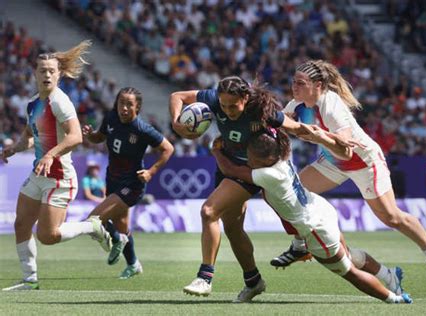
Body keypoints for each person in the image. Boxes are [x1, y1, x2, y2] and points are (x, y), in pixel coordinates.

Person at [169, 76, 351, 302]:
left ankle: (204, 278)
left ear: (245, 98)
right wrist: (177, 121)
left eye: (232, 106)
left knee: (208, 211)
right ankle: (253, 281)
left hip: (253, 170)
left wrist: (330, 140)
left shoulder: (263, 111)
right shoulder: (214, 99)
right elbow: (177, 96)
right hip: (228, 164)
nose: (227, 111)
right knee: (233, 228)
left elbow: (297, 128)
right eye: (223, 106)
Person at [272, 59, 426, 286]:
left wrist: (318, 136)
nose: (294, 87)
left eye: (300, 83)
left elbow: (345, 150)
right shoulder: (298, 103)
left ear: (317, 85)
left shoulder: (330, 105)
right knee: (294, 191)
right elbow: (280, 121)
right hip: (333, 161)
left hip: (363, 161)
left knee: (391, 216)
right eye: (293, 82)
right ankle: (300, 247)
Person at [210, 129, 412, 304]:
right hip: (322, 210)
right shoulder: (283, 157)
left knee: (349, 272)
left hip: (315, 229)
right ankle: (388, 275)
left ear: (263, 160)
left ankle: (394, 299)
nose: (248, 159)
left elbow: (231, 169)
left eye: (251, 157)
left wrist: (216, 150)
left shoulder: (267, 175)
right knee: (347, 255)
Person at [1, 40, 111, 291]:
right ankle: (29, 280)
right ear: (35, 74)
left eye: (51, 70)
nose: (47, 74)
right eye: (42, 70)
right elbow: (30, 135)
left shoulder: (60, 102)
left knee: (48, 236)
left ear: (59, 74)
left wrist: (51, 155)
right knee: (21, 224)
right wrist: (14, 148)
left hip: (60, 176)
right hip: (39, 173)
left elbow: (75, 137)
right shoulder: (32, 103)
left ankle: (90, 226)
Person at [82, 87, 174, 279]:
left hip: (132, 184)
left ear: (137, 108)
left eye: (129, 104)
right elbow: (100, 137)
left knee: (94, 220)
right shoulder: (111, 118)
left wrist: (151, 171)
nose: (123, 108)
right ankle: (133, 264)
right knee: (122, 225)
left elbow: (168, 149)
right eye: (121, 103)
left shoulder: (142, 129)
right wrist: (90, 136)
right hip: (112, 178)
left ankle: (117, 240)